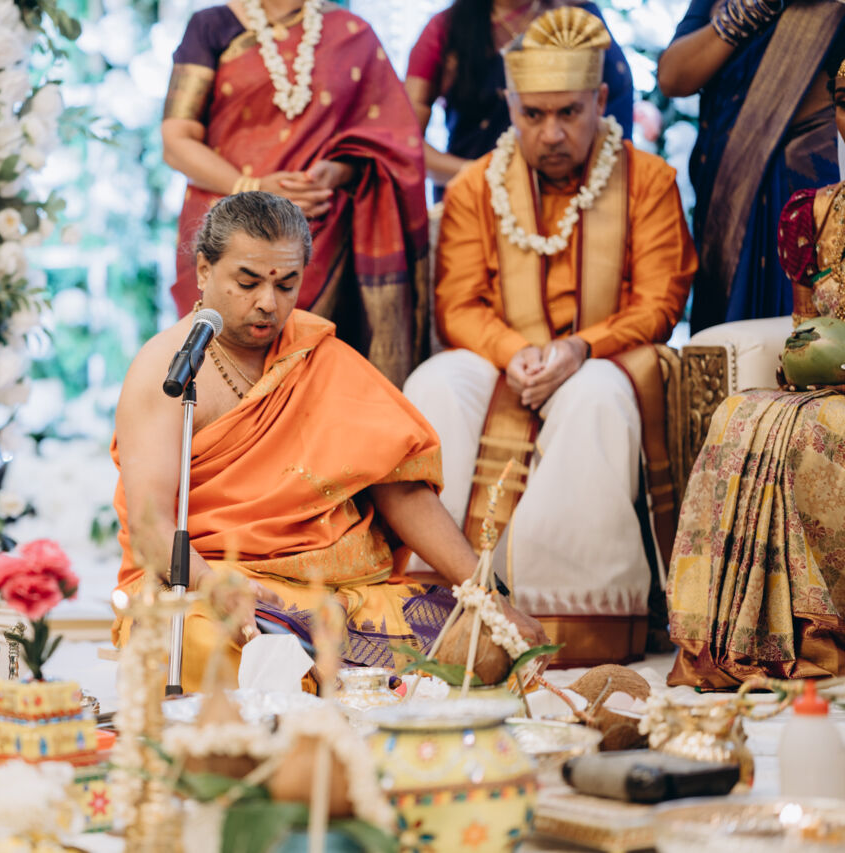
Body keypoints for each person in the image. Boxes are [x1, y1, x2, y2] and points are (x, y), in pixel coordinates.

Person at [111, 191, 546, 692]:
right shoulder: (166, 371)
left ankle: (339, 684)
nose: (268, 303)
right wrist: (213, 584)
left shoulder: (317, 354)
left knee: (484, 644)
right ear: (204, 270)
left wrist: (487, 597)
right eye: (247, 282)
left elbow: (401, 488)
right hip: (217, 584)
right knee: (195, 644)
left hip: (343, 593)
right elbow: (150, 526)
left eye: (287, 284)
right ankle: (339, 687)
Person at [404, 8, 696, 665]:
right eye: (533, 114)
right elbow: (458, 304)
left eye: (569, 112)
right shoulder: (475, 186)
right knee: (436, 381)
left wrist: (578, 348)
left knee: (594, 394)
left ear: (601, 100)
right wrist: (515, 353)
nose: (552, 132)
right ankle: (432, 600)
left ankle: (569, 611)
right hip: (504, 356)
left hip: (601, 355)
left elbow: (660, 301)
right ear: (509, 104)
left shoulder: (649, 182)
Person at [667, 54, 845, 689]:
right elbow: (804, 331)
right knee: (737, 414)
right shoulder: (815, 214)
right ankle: (738, 644)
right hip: (832, 384)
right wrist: (810, 356)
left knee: (821, 430)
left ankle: (823, 638)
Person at [162, 0, 428, 385]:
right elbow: (176, 141)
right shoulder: (213, 26)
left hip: (323, 236)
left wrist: (336, 171)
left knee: (317, 384)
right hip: (228, 230)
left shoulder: (352, 33)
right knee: (216, 376)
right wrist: (252, 189)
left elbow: (391, 142)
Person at [658, 0, 845, 330]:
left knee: (807, 330)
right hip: (726, 185)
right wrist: (754, 7)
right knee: (724, 333)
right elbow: (673, 78)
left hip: (800, 184)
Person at [406, 0, 634, 193]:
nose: (550, 134)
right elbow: (405, 144)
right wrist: (493, 177)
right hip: (475, 197)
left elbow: (615, 122)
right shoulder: (448, 29)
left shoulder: (577, 19)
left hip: (578, 194)